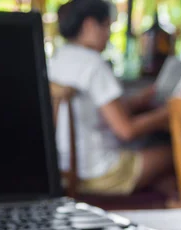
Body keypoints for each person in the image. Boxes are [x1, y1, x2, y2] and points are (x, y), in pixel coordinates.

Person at [48, 0, 174, 195]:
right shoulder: (93, 64)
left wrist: (136, 102)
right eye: (107, 26)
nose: (109, 34)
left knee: (161, 170)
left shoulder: (57, 58)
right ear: (89, 25)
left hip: (65, 168)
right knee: (177, 152)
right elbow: (126, 130)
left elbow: (98, 111)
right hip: (99, 171)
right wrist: (168, 114)